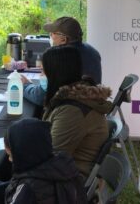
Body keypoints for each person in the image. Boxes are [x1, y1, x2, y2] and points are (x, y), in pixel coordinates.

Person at [0, 118, 87, 204]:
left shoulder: (28, 188)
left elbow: (22, 191)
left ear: (23, 155)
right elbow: (16, 187)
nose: (9, 159)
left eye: (11, 155)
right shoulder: (60, 166)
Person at [41, 46, 112, 178]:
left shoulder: (73, 111)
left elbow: (51, 158)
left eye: (44, 71)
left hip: (69, 181)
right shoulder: (74, 98)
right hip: (68, 171)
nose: (42, 75)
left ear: (55, 73)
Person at [22, 16, 102, 106]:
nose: (51, 36)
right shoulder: (92, 51)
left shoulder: (61, 59)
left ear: (63, 39)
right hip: (92, 108)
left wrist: (24, 85)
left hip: (69, 111)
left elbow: (40, 97)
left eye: (53, 33)